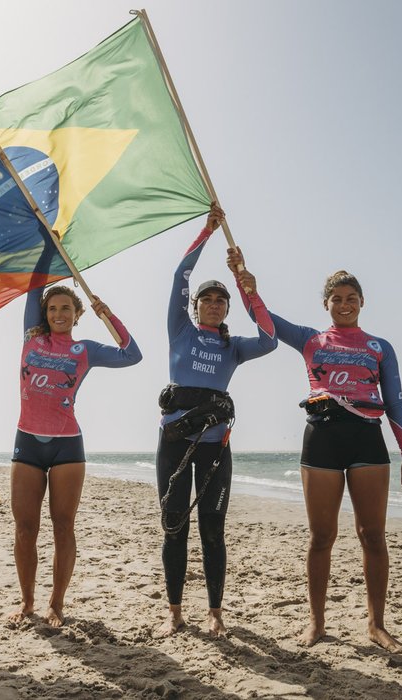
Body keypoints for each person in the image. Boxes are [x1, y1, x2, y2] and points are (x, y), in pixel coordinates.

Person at [227, 249, 402, 653]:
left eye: (351, 298)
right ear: (326, 304)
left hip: (367, 439)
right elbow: (266, 322)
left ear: (362, 303)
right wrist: (247, 285)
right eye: (337, 299)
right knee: (321, 536)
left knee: (373, 535)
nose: (344, 305)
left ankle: (377, 624)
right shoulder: (311, 339)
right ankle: (316, 622)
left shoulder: (379, 347)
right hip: (322, 439)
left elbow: (396, 401)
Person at [155, 204, 277, 638]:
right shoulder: (180, 331)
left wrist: (250, 291)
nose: (212, 303)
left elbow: (270, 339)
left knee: (212, 529)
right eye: (206, 299)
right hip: (174, 442)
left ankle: (215, 613)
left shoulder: (234, 346)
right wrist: (206, 232)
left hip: (214, 447)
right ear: (196, 306)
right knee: (174, 527)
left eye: (219, 300)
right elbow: (178, 277)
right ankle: (173, 610)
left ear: (226, 308)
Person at [9, 282, 142, 627]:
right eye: (52, 308)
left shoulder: (85, 349)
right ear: (44, 313)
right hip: (27, 441)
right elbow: (32, 288)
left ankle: (56, 603)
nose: (58, 314)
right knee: (25, 528)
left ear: (77, 314)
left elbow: (132, 354)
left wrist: (108, 315)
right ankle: (26, 601)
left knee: (63, 526)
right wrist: (47, 244)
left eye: (66, 308)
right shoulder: (31, 339)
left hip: (67, 444)